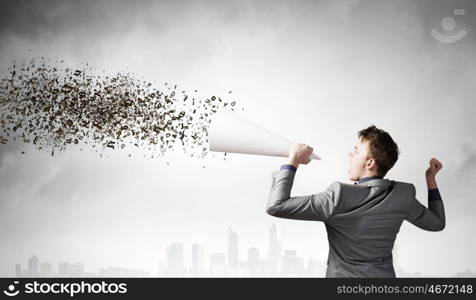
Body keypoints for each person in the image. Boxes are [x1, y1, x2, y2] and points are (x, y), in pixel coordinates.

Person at [266, 125, 445, 277]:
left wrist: (293, 161)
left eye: (356, 150)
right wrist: (431, 179)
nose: (350, 154)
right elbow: (437, 223)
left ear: (369, 163)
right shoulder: (402, 195)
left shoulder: (338, 197)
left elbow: (276, 206)